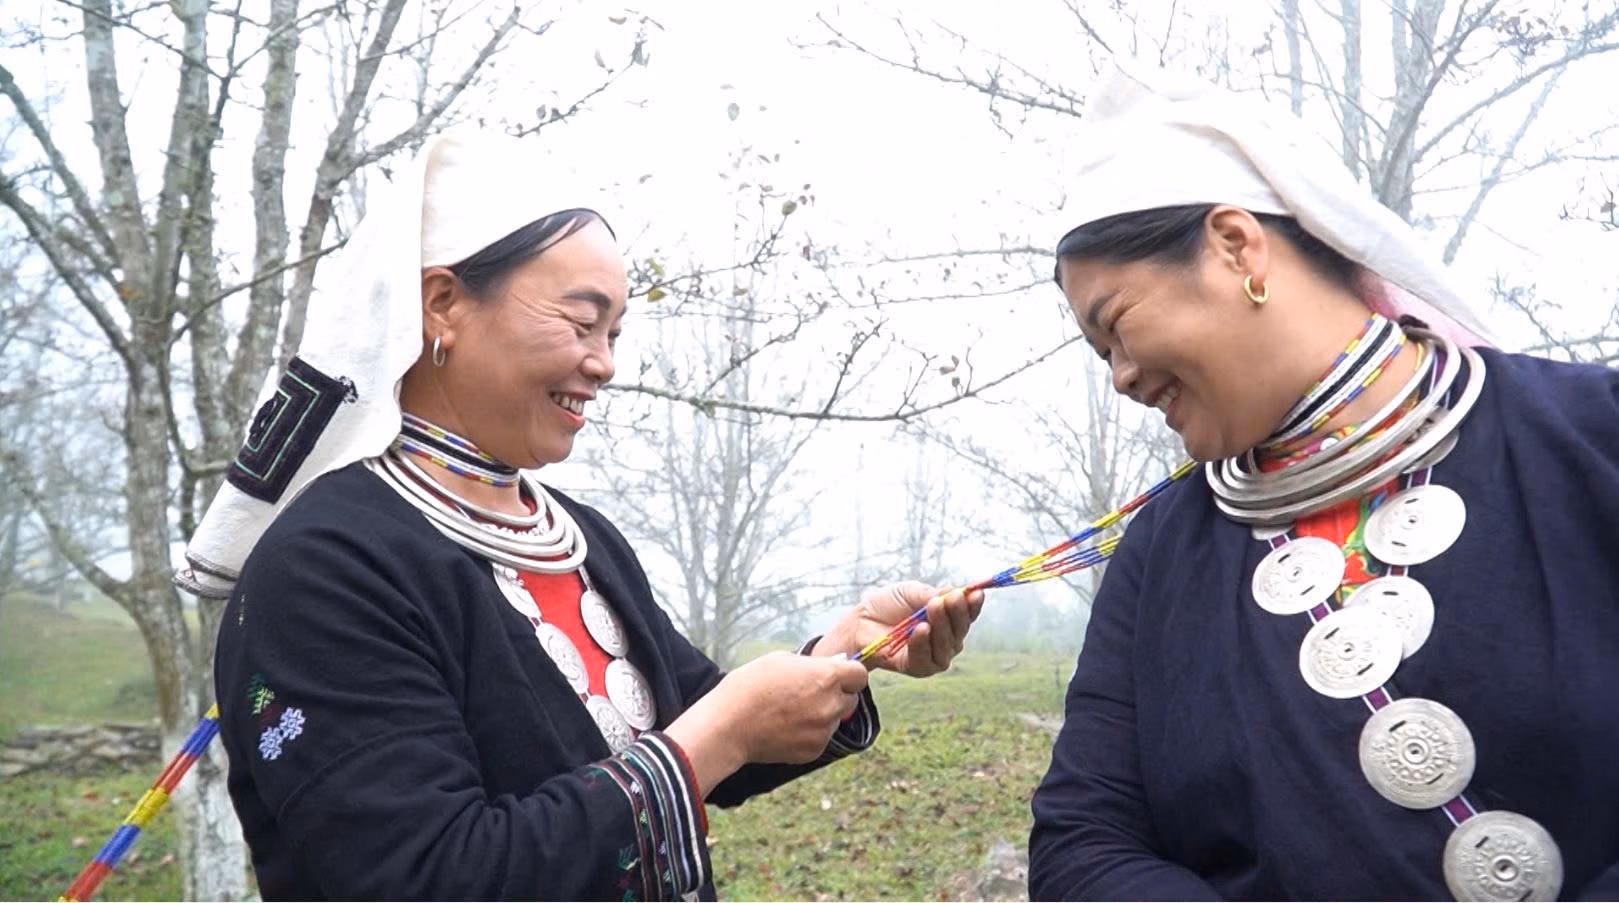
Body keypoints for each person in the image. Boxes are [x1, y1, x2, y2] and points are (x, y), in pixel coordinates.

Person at [175, 133, 983, 901]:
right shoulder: (325, 568)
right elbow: (429, 874)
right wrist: (723, 733)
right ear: (442, 303)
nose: (605, 363)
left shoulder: (580, 539)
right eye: (581, 321)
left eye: (615, 331)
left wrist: (842, 654)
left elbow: (692, 718)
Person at [1026, 61, 1619, 901]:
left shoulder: (1591, 438)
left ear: (1235, 246)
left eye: (1116, 326)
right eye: (1101, 356)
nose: (1119, 376)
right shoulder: (1159, 555)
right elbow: (1082, 843)